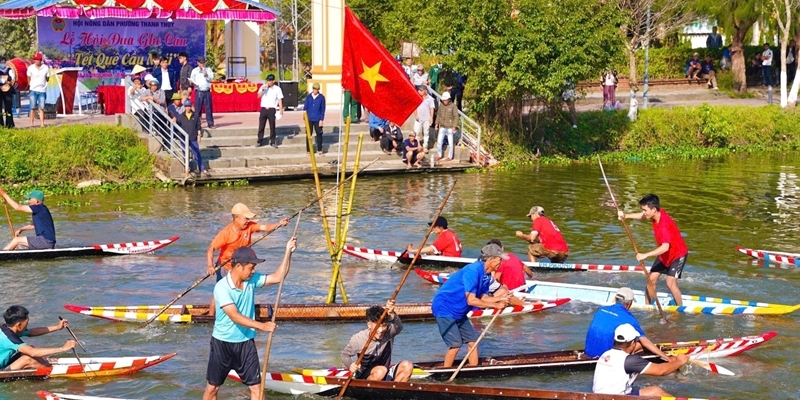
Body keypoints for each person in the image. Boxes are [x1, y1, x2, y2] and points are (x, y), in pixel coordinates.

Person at [202, 243, 297, 400]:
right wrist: (262, 326)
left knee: (257, 389)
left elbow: (278, 277)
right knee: (213, 388)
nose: (253, 271)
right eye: (251, 268)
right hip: (222, 343)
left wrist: (288, 252)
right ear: (238, 266)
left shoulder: (251, 280)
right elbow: (234, 316)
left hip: (246, 343)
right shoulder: (222, 287)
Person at [431, 243, 511, 367]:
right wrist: (496, 305)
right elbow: (471, 301)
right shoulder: (473, 270)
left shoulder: (487, 275)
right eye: (499, 260)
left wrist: (500, 299)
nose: (501, 263)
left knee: (473, 341)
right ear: (490, 259)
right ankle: (445, 373)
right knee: (455, 344)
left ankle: (473, 369)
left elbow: (483, 297)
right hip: (445, 307)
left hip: (459, 311)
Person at [205, 203, 290, 316]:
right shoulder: (226, 233)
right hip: (225, 267)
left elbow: (265, 227)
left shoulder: (249, 226)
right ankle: (211, 317)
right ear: (236, 218)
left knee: (241, 290)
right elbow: (211, 249)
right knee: (219, 293)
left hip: (243, 267)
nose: (248, 221)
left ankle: (240, 312)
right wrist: (210, 266)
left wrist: (278, 224)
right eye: (246, 218)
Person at [618, 194, 688, 306]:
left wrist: (645, 255)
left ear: (654, 209)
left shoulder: (664, 225)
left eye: (645, 210)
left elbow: (665, 247)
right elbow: (643, 216)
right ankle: (648, 307)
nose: (644, 212)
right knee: (651, 281)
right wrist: (625, 216)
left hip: (677, 255)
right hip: (664, 255)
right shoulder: (655, 214)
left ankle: (680, 308)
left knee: (670, 283)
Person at [592, 323, 688, 396]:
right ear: (633, 343)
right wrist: (679, 361)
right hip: (617, 398)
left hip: (597, 397)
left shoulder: (605, 354)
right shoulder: (629, 360)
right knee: (655, 391)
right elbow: (661, 371)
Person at [584, 287, 670, 359]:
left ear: (616, 299)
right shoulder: (629, 318)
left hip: (588, 352)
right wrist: (667, 358)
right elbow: (644, 342)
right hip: (607, 357)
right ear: (629, 303)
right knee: (639, 343)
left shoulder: (601, 310)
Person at [341, 300, 413, 382]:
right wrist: (351, 365)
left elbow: (398, 327)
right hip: (365, 375)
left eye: (384, 325)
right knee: (380, 371)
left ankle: (394, 391)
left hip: (385, 372)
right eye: (377, 326)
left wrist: (392, 312)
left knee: (408, 365)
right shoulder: (358, 339)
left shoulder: (389, 332)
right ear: (369, 324)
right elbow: (345, 355)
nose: (381, 330)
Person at [0, 305, 76, 370]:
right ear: (19, 325)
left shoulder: (8, 328)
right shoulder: (8, 338)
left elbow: (32, 332)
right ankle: (51, 373)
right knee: (28, 358)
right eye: (27, 322)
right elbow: (33, 352)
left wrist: (57, 327)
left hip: (4, 364)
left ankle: (47, 367)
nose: (27, 324)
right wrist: (63, 348)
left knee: (29, 348)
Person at [174, 98, 209, 176]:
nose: (188, 108)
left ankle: (202, 168)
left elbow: (198, 126)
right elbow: (176, 123)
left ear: (191, 106)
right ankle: (188, 167)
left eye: (189, 106)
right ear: (184, 107)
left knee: (196, 152)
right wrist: (174, 120)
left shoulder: (195, 115)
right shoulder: (181, 116)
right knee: (185, 153)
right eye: (186, 106)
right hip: (183, 138)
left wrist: (199, 135)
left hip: (193, 137)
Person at [256, 74, 284, 148]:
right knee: (261, 126)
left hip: (271, 109)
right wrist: (262, 90)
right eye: (268, 80)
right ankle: (259, 141)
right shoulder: (263, 87)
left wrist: (281, 109)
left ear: (273, 81)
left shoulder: (277, 89)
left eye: (270, 80)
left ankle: (273, 141)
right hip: (263, 109)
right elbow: (258, 96)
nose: (268, 82)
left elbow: (280, 99)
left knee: (272, 126)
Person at [190, 57, 215, 129]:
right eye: (201, 63)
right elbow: (192, 79)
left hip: (207, 91)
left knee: (208, 108)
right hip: (199, 91)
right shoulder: (194, 71)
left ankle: (210, 123)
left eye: (203, 63)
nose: (202, 64)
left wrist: (206, 74)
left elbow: (211, 79)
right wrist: (191, 82)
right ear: (198, 63)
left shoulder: (208, 69)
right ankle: (197, 124)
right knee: (197, 109)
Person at [435, 91, 459, 162]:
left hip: (450, 127)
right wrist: (436, 123)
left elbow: (456, 117)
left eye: (445, 100)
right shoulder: (441, 105)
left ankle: (450, 156)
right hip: (442, 126)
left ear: (449, 99)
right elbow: (438, 115)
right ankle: (439, 155)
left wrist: (454, 126)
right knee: (439, 142)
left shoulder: (453, 106)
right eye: (443, 100)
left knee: (451, 143)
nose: (444, 101)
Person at [27, 52, 49, 128]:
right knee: (32, 107)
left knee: (41, 108)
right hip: (33, 90)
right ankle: (31, 124)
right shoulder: (30, 68)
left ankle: (42, 124)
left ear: (41, 60)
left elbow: (47, 78)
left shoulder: (45, 68)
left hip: (42, 90)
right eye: (36, 59)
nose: (37, 61)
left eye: (39, 60)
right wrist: (31, 85)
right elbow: (28, 78)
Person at [304, 82, 326, 156]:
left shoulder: (321, 97)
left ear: (318, 90)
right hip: (309, 118)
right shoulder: (309, 97)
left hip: (317, 118)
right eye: (314, 89)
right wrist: (305, 118)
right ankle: (308, 150)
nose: (315, 90)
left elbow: (323, 109)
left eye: (316, 89)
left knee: (319, 134)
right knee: (308, 134)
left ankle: (320, 149)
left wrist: (321, 119)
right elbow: (305, 108)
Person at [0, 57, 15, 128]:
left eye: (3, 62)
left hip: (8, 91)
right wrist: (6, 80)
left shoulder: (9, 70)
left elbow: (12, 80)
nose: (2, 64)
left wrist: (5, 80)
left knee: (8, 108)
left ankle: (10, 124)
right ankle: (1, 124)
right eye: (1, 62)